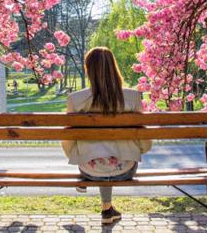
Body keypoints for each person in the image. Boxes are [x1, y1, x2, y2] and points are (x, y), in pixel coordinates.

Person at [61, 47, 152, 224]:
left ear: (88, 69)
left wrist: (77, 158)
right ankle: (107, 210)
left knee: (98, 158)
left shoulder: (76, 99)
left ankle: (105, 207)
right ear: (113, 67)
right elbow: (145, 141)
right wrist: (137, 150)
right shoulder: (133, 97)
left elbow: (68, 140)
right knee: (112, 157)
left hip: (89, 170)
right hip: (125, 169)